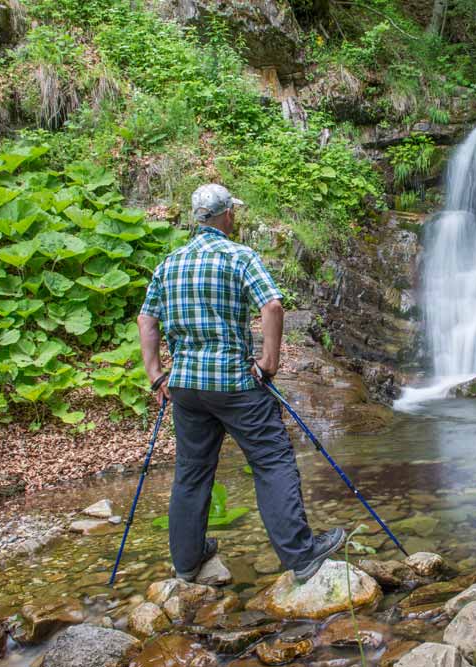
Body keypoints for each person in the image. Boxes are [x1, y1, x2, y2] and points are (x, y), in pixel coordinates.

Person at [137, 183, 345, 584]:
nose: (236, 216)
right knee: (272, 461)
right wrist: (269, 362)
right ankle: (301, 556)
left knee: (192, 472)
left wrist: (156, 374)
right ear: (227, 215)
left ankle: (187, 561)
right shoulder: (239, 256)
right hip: (235, 383)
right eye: (234, 211)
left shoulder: (170, 262)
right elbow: (272, 305)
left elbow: (147, 319)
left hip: (186, 388)